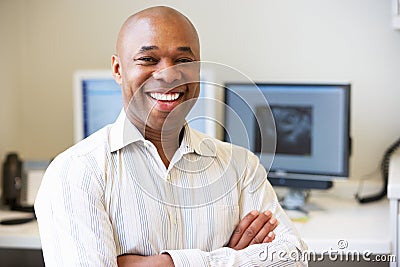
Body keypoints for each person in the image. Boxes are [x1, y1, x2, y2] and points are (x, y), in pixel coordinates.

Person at [35, 6, 307, 266]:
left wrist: (169, 263)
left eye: (183, 60)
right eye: (148, 60)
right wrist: (232, 259)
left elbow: (293, 257)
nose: (169, 75)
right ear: (118, 70)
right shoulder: (76, 172)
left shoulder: (241, 167)